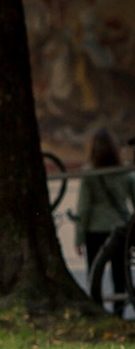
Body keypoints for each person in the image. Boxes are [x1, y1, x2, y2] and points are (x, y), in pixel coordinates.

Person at [76, 128, 134, 305]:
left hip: (94, 230)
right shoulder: (125, 172)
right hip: (120, 230)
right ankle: (119, 311)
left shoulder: (88, 174)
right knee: (121, 274)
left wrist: (79, 237)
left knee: (94, 273)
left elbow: (83, 208)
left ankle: (97, 308)